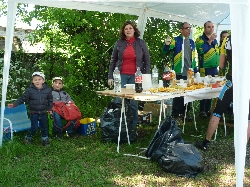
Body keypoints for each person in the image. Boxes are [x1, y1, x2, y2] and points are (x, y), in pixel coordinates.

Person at [195, 35, 250, 150]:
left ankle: (206, 142)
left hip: (231, 81)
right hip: (247, 82)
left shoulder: (228, 39)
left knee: (217, 111)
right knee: (248, 116)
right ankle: (242, 149)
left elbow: (221, 65)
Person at [107, 20, 150, 128]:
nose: (128, 30)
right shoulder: (119, 43)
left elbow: (147, 60)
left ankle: (132, 126)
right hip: (121, 76)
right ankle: (117, 125)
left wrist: (146, 76)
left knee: (133, 102)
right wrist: (110, 76)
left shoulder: (141, 43)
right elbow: (113, 60)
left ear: (134, 30)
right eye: (126, 29)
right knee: (118, 100)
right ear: (123, 31)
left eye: (130, 28)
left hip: (136, 77)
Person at [163, 22, 197, 121]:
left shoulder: (192, 42)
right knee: (178, 94)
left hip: (189, 72)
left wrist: (195, 69)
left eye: (190, 28)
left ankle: (185, 114)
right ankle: (175, 114)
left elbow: (194, 57)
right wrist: (167, 44)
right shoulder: (176, 40)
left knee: (189, 94)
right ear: (181, 30)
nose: (189, 30)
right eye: (186, 28)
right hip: (179, 72)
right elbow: (166, 51)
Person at [8, 72, 53, 146]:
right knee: (34, 127)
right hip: (33, 112)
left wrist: (50, 109)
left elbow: (50, 100)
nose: (37, 81)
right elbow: (23, 98)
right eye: (35, 80)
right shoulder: (29, 90)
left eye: (39, 79)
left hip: (43, 112)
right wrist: (14, 104)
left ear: (43, 81)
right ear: (32, 81)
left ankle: (45, 139)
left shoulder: (48, 90)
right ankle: (28, 137)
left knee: (44, 127)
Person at [195, 21, 220, 117]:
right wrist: (209, 41)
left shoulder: (215, 40)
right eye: (209, 27)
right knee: (205, 89)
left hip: (214, 68)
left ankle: (208, 109)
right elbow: (202, 50)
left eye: (213, 27)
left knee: (212, 89)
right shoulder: (200, 40)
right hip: (204, 68)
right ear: (204, 28)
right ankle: (202, 110)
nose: (211, 28)